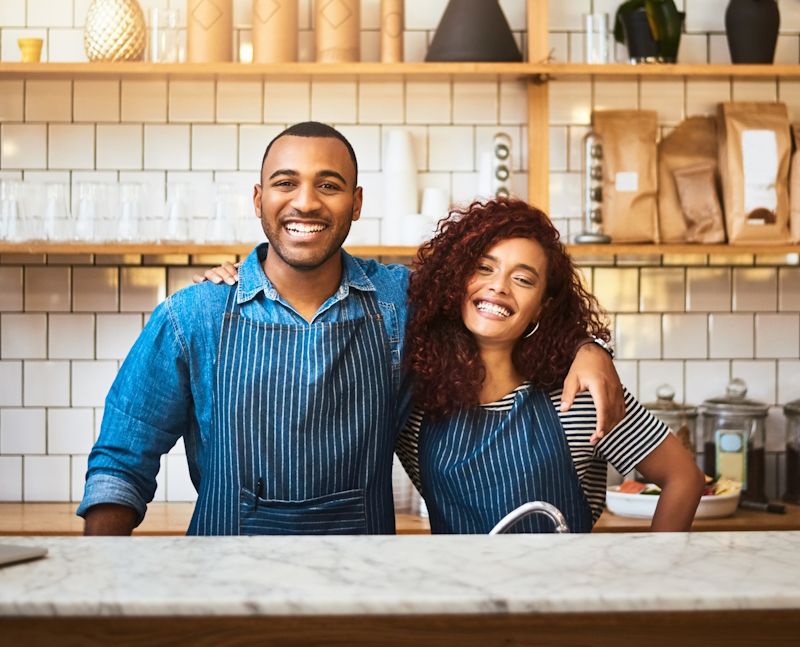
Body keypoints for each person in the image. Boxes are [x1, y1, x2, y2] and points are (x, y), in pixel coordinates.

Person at [79, 122, 624, 536]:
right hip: (223, 587)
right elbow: (121, 464)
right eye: (285, 182)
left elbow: (496, 309)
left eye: (330, 185)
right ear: (258, 199)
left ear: (357, 203)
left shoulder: (400, 302)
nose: (306, 201)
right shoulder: (191, 316)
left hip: (363, 593)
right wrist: (106, 597)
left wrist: (587, 345)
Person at [394, 199, 704, 533]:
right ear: (457, 280)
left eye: (523, 280)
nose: (499, 286)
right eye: (484, 268)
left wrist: (657, 575)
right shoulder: (414, 400)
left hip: (564, 583)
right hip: (459, 584)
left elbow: (683, 477)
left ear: (543, 307)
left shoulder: (580, 395)